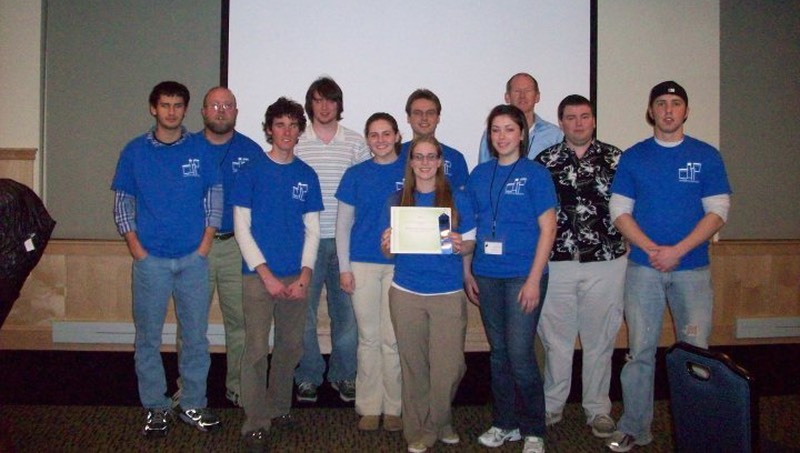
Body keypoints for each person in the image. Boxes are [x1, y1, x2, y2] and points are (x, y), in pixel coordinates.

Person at [606, 81, 732, 452]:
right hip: (643, 269)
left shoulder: (706, 156)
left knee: (695, 352)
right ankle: (635, 427)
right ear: (651, 111)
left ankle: (699, 430)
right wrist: (652, 249)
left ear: (686, 111)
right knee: (639, 352)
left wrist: (677, 250)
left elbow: (718, 211)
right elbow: (619, 211)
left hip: (691, 269)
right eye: (661, 103)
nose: (668, 110)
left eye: (676, 104)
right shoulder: (634, 157)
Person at [111, 81, 222, 437]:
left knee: (195, 337)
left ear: (185, 110)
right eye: (165, 105)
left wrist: (204, 244)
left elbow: (214, 196)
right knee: (148, 338)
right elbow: (123, 202)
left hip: (193, 260)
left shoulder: (200, 150)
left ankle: (192, 403)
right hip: (151, 262)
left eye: (177, 105)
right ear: (153, 108)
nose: (171, 111)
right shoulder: (134, 152)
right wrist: (136, 248)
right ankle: (156, 407)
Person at [231, 97, 323, 452]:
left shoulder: (306, 175)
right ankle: (255, 421)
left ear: (300, 130)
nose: (287, 131)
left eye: (293, 125)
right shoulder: (250, 171)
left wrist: (304, 275)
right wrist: (266, 274)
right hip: (258, 277)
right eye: (279, 125)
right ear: (269, 129)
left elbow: (312, 231)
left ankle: (279, 407)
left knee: (289, 347)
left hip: (296, 276)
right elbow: (242, 228)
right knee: (256, 349)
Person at [532, 95, 627, 438]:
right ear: (560, 122)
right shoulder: (545, 162)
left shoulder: (617, 159)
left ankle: (598, 409)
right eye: (570, 118)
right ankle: (552, 405)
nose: (578, 123)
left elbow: (631, 209)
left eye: (584, 116)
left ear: (594, 120)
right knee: (556, 340)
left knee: (600, 339)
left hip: (606, 261)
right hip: (557, 262)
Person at [464, 104, 557, 453]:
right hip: (487, 275)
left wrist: (534, 279)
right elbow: (470, 228)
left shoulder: (535, 174)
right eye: (496, 130)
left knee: (520, 355)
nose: (502, 136)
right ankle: (505, 423)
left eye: (509, 129)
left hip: (523, 275)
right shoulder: (479, 174)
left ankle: (534, 428)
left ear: (522, 134)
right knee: (499, 354)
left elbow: (548, 228)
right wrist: (467, 270)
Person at [380, 136, 476, 453]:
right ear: (410, 162)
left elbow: (471, 244)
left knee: (450, 367)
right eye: (418, 157)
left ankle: (436, 421)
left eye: (430, 156)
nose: (424, 162)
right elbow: (390, 253)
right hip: (406, 292)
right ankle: (420, 430)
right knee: (414, 366)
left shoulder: (458, 199)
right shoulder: (397, 200)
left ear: (439, 161)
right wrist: (388, 244)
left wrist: (463, 244)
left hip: (447, 294)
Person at [294, 76, 371, 404]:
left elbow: (365, 193)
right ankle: (308, 375)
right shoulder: (295, 141)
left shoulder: (355, 142)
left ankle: (344, 375)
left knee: (347, 315)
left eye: (331, 100)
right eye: (317, 100)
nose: (324, 106)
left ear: (339, 105)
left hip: (345, 244)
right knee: (303, 314)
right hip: (304, 244)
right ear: (309, 105)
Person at [335, 113, 406, 432]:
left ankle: (394, 406)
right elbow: (342, 227)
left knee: (392, 340)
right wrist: (344, 268)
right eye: (374, 135)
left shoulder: (411, 170)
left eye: (386, 133)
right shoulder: (354, 175)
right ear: (367, 139)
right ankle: (368, 405)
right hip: (362, 264)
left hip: (400, 267)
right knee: (368, 339)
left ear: (397, 136)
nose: (380, 140)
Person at [197, 86, 263, 407]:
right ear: (203, 111)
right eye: (214, 105)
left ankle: (238, 387)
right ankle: (191, 390)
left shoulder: (251, 152)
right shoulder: (187, 149)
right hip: (196, 248)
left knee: (241, 322)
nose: (221, 110)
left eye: (228, 105)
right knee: (192, 323)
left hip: (237, 246)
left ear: (236, 111)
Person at [478, 73, 564, 164]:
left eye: (528, 90)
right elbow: (483, 170)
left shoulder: (553, 134)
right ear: (507, 97)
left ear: (537, 97)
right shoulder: (493, 133)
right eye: (517, 91)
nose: (522, 96)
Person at [398, 89, 469, 190]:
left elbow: (462, 199)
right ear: (408, 118)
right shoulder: (396, 155)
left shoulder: (456, 158)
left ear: (438, 118)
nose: (424, 118)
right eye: (418, 113)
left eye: (430, 113)